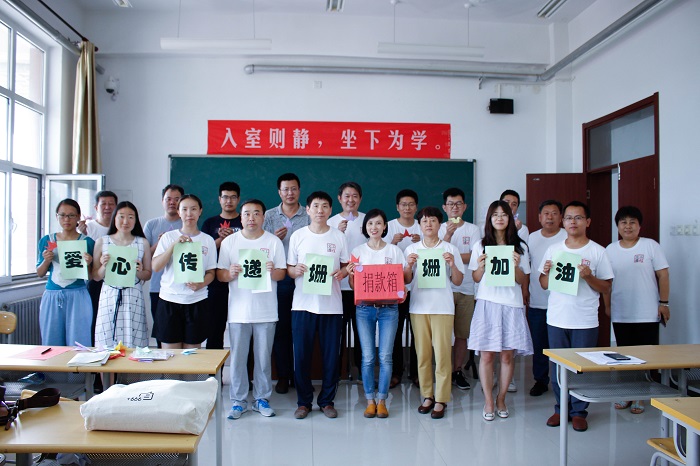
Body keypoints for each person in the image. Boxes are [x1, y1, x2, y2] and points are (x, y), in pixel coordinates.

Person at [539, 201, 614, 432]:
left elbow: (607, 287)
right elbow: (543, 283)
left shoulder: (598, 251)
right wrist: (547, 273)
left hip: (585, 320)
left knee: (581, 367)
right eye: (569, 218)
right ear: (563, 222)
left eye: (578, 217)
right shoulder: (554, 250)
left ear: (587, 222)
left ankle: (579, 412)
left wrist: (589, 277)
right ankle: (561, 408)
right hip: (557, 318)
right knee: (557, 368)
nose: (573, 222)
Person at [217, 199, 287, 420]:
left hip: (266, 311)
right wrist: (230, 273)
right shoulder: (230, 242)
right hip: (238, 311)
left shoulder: (273, 242)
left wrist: (272, 271)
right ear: (241, 217)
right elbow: (220, 274)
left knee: (263, 358)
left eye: (256, 213)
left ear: (263, 217)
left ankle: (261, 399)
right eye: (247, 213)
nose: (251, 218)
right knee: (238, 358)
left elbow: (282, 274)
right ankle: (238, 401)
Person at [468, 200, 533, 421]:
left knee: (507, 356)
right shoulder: (481, 245)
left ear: (510, 218)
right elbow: (476, 278)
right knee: (486, 355)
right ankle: (488, 400)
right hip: (487, 303)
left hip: (511, 304)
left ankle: (501, 398)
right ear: (489, 218)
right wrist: (481, 267)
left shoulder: (520, 247)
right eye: (495, 214)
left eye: (504, 214)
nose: (499, 218)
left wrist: (516, 266)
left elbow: (523, 279)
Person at [287, 192, 349, 419]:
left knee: (331, 357)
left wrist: (342, 273)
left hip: (331, 307)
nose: (320, 210)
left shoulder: (338, 236)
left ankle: (327, 401)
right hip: (302, 305)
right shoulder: (298, 235)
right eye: (315, 206)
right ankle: (303, 402)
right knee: (301, 356)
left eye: (324, 206)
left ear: (330, 210)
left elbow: (346, 266)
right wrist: (296, 270)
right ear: (308, 209)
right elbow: (289, 269)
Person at [606, 206, 669, 415]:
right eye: (623, 222)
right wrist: (607, 305)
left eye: (632, 222)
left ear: (639, 226)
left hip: (647, 312)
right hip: (622, 311)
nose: (628, 226)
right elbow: (606, 282)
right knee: (624, 356)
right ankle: (627, 393)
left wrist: (664, 303)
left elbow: (663, 275)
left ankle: (640, 395)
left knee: (644, 357)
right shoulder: (610, 250)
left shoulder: (650, 246)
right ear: (617, 226)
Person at [404, 206, 464, 420]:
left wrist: (452, 265)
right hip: (418, 307)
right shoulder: (412, 249)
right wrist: (408, 266)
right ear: (419, 225)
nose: (428, 224)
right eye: (424, 221)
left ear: (440, 224)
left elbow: (458, 281)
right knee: (422, 355)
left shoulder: (449, 248)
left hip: (443, 308)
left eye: (433, 220)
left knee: (442, 354)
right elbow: (406, 280)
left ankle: (442, 398)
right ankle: (427, 395)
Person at [346, 209, 406, 418]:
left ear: (384, 227)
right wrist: (351, 275)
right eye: (370, 223)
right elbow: (354, 286)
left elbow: (401, 280)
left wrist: (402, 290)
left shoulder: (394, 251)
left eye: (379, 223)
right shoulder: (357, 251)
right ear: (365, 227)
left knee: (386, 356)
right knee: (368, 357)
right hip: (364, 308)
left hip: (389, 309)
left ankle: (382, 400)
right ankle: (369, 400)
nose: (374, 227)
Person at [263, 173, 310, 394]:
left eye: (293, 189)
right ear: (279, 192)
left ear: (299, 190)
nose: (289, 193)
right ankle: (283, 375)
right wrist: (273, 238)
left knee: (302, 330)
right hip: (279, 279)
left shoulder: (309, 214)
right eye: (285, 189)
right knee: (281, 329)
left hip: (304, 278)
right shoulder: (269, 215)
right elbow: (260, 244)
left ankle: (301, 377)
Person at [151, 195, 217, 349]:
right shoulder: (168, 237)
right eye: (185, 209)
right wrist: (173, 246)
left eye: (193, 209)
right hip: (169, 300)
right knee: (171, 356)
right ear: (179, 212)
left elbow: (211, 272)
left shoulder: (208, 240)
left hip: (196, 301)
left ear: (200, 211)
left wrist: (201, 284)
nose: (189, 214)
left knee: (192, 356)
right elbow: (156, 266)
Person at [92, 201, 152, 348]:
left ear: (136, 220)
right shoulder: (102, 242)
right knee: (107, 339)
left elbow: (148, 274)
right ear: (114, 218)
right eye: (121, 216)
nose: (126, 221)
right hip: (109, 294)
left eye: (131, 217)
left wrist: (139, 271)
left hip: (133, 295)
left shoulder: (142, 242)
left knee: (134, 340)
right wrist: (104, 266)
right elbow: (95, 276)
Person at [439, 187, 481, 391]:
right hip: (443, 289)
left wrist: (451, 256)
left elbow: (474, 256)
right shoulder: (438, 227)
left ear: (465, 206)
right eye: (450, 204)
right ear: (444, 207)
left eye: (458, 204)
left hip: (466, 288)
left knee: (462, 333)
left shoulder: (473, 230)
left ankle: (457, 370)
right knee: (443, 334)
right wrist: (447, 235)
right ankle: (444, 371)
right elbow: (437, 254)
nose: (454, 208)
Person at [36, 199, 95, 346]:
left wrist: (88, 264)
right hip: (53, 294)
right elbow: (40, 272)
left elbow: (91, 276)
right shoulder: (47, 240)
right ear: (57, 216)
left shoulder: (87, 242)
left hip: (78, 294)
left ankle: (78, 363)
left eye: (71, 215)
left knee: (79, 341)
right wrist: (46, 261)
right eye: (62, 215)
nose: (66, 219)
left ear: (78, 217)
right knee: (51, 341)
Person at [527, 200, 567, 397]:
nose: (550, 217)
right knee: (539, 344)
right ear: (539, 217)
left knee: (562, 347)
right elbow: (527, 267)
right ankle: (540, 380)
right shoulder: (532, 238)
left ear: (561, 217)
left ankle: (565, 382)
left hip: (563, 303)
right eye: (546, 213)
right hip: (537, 300)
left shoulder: (567, 237)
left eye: (554, 213)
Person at [327, 182, 365, 379]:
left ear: (360, 199)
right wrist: (337, 233)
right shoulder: (330, 222)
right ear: (340, 199)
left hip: (362, 287)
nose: (351, 200)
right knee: (337, 332)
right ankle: (339, 371)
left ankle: (360, 370)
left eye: (355, 196)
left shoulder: (368, 221)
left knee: (362, 332)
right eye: (347, 196)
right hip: (337, 286)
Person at [201, 181, 243, 349]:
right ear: (219, 199)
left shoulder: (246, 220)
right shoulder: (210, 223)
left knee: (241, 330)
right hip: (216, 283)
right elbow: (203, 252)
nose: (229, 201)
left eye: (233, 197)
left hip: (241, 282)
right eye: (225, 197)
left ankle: (243, 365)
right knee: (214, 329)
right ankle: (214, 367)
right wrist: (220, 240)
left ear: (238, 199)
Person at [385, 189, 420, 388]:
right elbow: (379, 253)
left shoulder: (423, 225)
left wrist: (421, 242)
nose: (407, 208)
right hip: (394, 288)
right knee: (395, 332)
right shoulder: (388, 226)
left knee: (417, 332)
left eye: (411, 204)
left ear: (416, 207)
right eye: (403, 204)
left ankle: (416, 373)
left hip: (418, 288)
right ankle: (396, 372)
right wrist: (392, 243)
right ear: (397, 207)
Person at [144, 185, 184, 345]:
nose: (172, 202)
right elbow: (144, 256)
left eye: (177, 199)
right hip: (157, 288)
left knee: (182, 336)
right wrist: (160, 244)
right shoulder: (151, 224)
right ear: (162, 201)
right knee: (163, 335)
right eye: (168, 199)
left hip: (182, 288)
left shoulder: (188, 224)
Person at [77, 191, 118, 342]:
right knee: (95, 318)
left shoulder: (120, 226)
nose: (107, 207)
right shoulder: (88, 228)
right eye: (103, 204)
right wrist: (81, 234)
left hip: (116, 279)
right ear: (96, 207)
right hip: (95, 280)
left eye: (111, 204)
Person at [500, 189, 528, 393]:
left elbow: (523, 272)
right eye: (506, 203)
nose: (510, 207)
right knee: (490, 346)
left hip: (512, 296)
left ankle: (507, 379)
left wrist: (525, 291)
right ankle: (494, 376)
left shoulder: (522, 231)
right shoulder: (485, 238)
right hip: (491, 296)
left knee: (510, 345)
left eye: (514, 203)